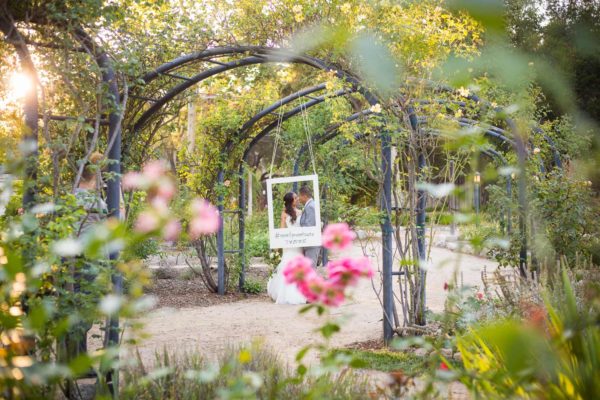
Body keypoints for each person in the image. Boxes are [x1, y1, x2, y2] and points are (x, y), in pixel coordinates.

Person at [267, 191, 306, 304]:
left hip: (299, 243)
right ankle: (286, 292)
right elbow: (282, 229)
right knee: (288, 263)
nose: (297, 199)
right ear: (291, 201)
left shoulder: (301, 212)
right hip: (289, 244)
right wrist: (279, 243)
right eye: (295, 198)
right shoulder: (284, 213)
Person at [298, 185, 320, 268]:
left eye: (300, 195)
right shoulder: (310, 205)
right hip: (310, 244)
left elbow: (309, 226)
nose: (299, 198)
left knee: (310, 270)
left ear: (304, 196)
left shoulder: (310, 206)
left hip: (311, 244)